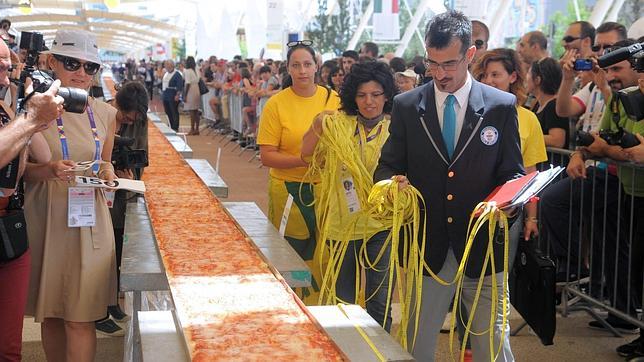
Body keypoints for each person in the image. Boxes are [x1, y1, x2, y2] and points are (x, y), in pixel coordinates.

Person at [374, 11, 524, 361]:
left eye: (450, 63)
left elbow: (513, 173)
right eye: (433, 63)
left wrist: (510, 203)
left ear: (471, 55)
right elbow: (388, 165)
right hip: (428, 246)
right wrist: (389, 186)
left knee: (492, 343)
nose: (440, 73)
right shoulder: (407, 105)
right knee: (417, 343)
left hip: (483, 245)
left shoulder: (501, 106)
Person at [23, 29, 119, 362]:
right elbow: (20, 171)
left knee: (80, 317)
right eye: (70, 62)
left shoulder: (106, 113)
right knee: (50, 314)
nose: (80, 72)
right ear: (51, 63)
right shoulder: (33, 109)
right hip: (44, 215)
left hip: (88, 220)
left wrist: (108, 174)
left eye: (89, 66)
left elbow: (105, 161)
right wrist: (48, 170)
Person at [301, 61, 398, 329]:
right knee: (342, 300)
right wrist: (317, 127)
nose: (369, 102)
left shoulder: (396, 130)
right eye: (362, 95)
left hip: (381, 224)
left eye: (376, 95)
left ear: (387, 95)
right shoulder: (336, 124)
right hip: (342, 225)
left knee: (379, 300)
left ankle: (381, 355)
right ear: (352, 97)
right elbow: (306, 154)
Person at [257, 40, 340, 305]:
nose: (302, 70)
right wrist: (304, 162)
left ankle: (326, 307)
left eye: (307, 64)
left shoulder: (334, 100)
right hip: (289, 193)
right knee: (294, 254)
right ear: (288, 69)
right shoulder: (276, 104)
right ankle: (293, 306)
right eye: (296, 65)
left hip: (328, 192)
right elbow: (267, 155)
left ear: (317, 66)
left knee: (327, 253)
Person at [0, 38, 62, 362]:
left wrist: (27, 113)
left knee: (10, 348)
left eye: (9, 68)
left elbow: (43, 154)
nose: (5, 77)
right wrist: (27, 119)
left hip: (10, 226)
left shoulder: (8, 108)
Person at [473, 48, 547, 240]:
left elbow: (530, 173)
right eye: (483, 75)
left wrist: (532, 218)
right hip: (472, 207)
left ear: (513, 76)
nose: (488, 81)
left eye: (495, 74)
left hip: (508, 212)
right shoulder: (470, 116)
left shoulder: (528, 119)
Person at [95, 81, 150, 337]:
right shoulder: (100, 114)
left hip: (125, 190)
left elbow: (141, 154)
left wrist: (130, 176)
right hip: (100, 190)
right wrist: (109, 170)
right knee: (101, 251)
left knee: (119, 245)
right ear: (118, 105)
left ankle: (112, 302)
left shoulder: (139, 120)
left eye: (135, 117)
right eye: (127, 116)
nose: (130, 120)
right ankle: (97, 310)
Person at [556, 21, 627, 135]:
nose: (600, 52)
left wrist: (604, 88)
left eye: (608, 47)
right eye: (596, 47)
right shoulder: (594, 85)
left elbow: (621, 121)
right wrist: (567, 79)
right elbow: (564, 110)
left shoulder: (629, 85)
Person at [526, 58, 569, 149]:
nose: (526, 78)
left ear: (537, 80)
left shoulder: (553, 106)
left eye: (529, 73)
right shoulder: (537, 104)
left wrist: (526, 137)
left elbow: (557, 140)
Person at [162, 59, 183, 131]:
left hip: (173, 94)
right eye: (165, 65)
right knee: (167, 111)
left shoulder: (177, 74)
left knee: (174, 111)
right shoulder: (166, 73)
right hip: (165, 95)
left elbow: (180, 85)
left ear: (171, 65)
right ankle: (170, 124)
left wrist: (177, 95)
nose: (165, 66)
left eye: (167, 64)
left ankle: (175, 126)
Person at [182, 56, 201, 135]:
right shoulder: (196, 69)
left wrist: (185, 95)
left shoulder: (187, 71)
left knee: (191, 111)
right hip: (197, 88)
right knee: (196, 110)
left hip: (191, 90)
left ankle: (192, 129)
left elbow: (188, 83)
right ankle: (197, 129)